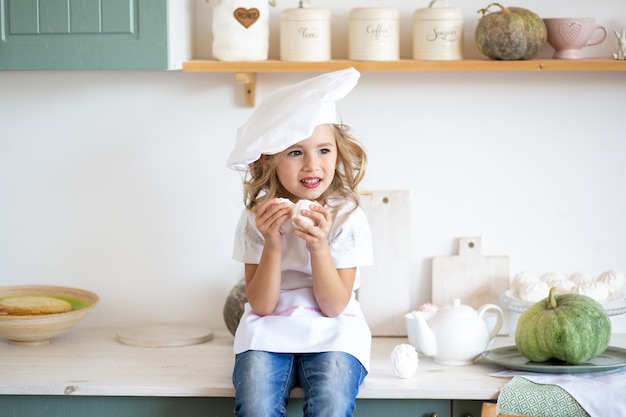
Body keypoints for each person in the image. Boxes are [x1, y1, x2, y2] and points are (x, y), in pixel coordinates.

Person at [226, 67, 373, 417]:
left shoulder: (348, 217)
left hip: (333, 329)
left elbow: (335, 305)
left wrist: (319, 247)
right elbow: (261, 305)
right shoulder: (255, 219)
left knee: (332, 403)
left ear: (338, 153)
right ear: (270, 159)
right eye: (295, 153)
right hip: (268, 330)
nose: (312, 165)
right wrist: (272, 244)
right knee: (257, 406)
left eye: (324, 150)